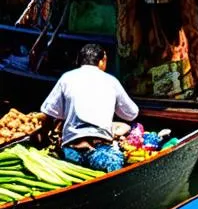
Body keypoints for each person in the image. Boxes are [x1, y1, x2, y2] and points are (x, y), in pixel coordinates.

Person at [35, 43, 138, 173]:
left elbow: (49, 111)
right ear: (102, 61)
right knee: (114, 168)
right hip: (101, 152)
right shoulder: (111, 81)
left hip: (71, 151)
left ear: (80, 61)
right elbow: (131, 114)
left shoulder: (66, 78)